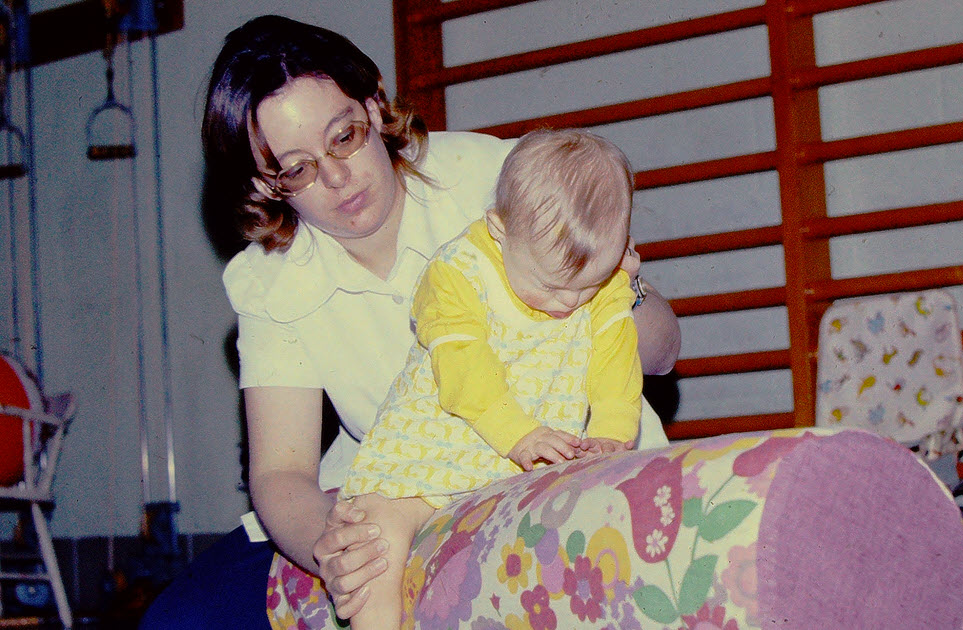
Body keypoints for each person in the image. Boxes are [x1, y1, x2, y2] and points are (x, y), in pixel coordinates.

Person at [139, 15, 680, 630]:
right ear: (267, 184)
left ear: (373, 103)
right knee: (180, 619)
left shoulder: (491, 178)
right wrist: (336, 547)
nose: (336, 178)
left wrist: (617, 284)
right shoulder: (271, 281)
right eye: (296, 169)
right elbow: (281, 471)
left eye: (343, 137)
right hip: (409, 478)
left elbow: (661, 352)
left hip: (559, 454)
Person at [340, 128, 642, 629]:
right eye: (551, 285)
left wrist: (612, 431)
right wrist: (516, 432)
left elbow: (616, 360)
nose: (570, 303)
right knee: (376, 549)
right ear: (499, 229)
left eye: (587, 286)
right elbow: (463, 363)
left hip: (523, 469)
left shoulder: (605, 282)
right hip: (425, 459)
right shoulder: (458, 272)